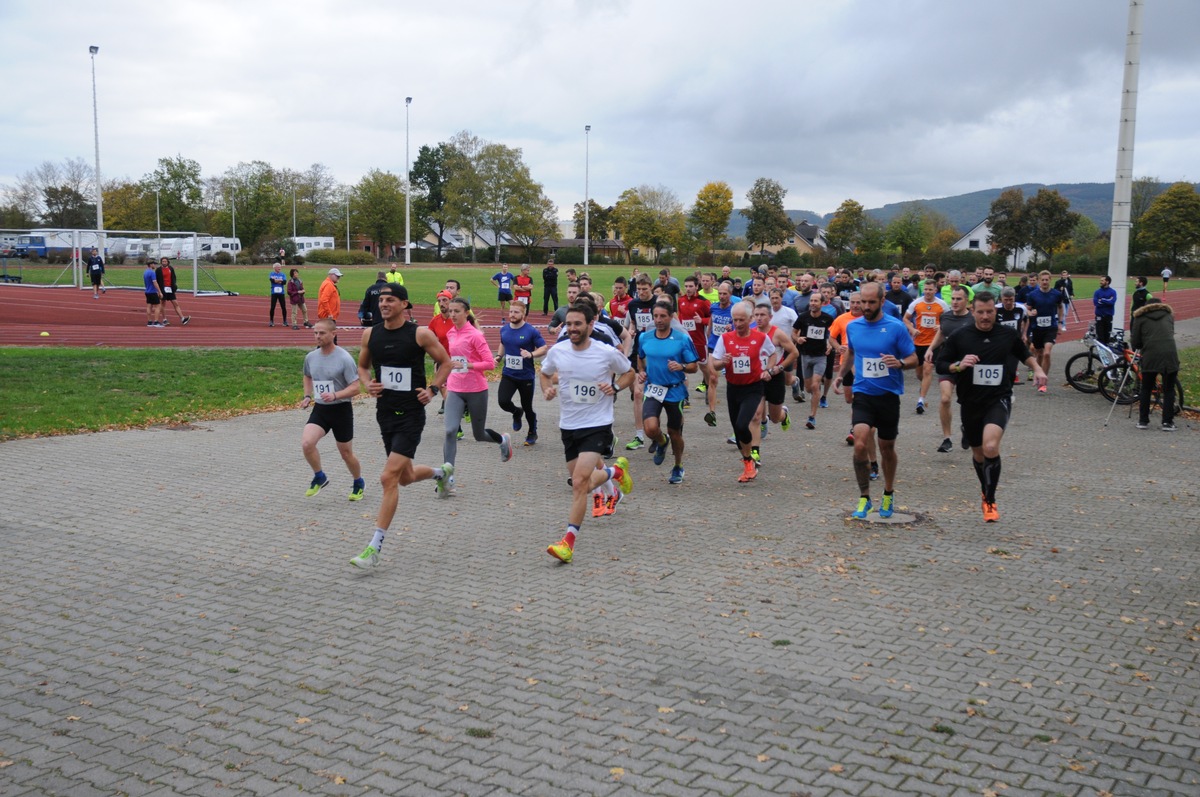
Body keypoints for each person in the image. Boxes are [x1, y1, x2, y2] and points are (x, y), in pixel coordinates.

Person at [349, 284, 453, 569]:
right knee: (404, 477)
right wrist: (367, 383)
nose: (383, 304)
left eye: (390, 300)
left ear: (404, 304)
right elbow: (362, 367)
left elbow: (446, 362)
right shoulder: (370, 333)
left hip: (411, 414)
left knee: (387, 478)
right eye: (381, 300)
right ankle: (440, 473)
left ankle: (374, 547)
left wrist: (432, 390)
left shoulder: (419, 333)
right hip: (385, 413)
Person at [935, 292, 1047, 522]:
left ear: (995, 312)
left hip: (999, 398)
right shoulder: (959, 336)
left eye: (990, 312)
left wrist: (1037, 369)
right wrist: (958, 365)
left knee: (990, 446)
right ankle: (985, 488)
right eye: (981, 312)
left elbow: (1024, 354)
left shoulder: (1007, 334)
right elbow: (941, 364)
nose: (986, 316)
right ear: (973, 312)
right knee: (978, 453)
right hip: (970, 402)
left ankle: (989, 499)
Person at [539, 301, 636, 563]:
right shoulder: (558, 351)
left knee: (580, 483)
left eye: (577, 324)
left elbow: (630, 373)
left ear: (590, 324)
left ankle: (568, 543)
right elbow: (545, 373)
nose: (572, 328)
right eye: (568, 324)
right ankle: (616, 472)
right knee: (583, 480)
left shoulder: (605, 352)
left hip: (598, 424)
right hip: (568, 426)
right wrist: (546, 388)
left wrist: (615, 388)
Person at [834, 282, 918, 519]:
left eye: (872, 302)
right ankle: (865, 497)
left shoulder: (895, 327)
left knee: (886, 448)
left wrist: (900, 363)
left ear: (882, 302)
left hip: (889, 396)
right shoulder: (854, 327)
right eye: (863, 302)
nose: (867, 307)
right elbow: (851, 353)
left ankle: (888, 493)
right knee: (860, 443)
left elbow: (914, 359)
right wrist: (840, 376)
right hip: (863, 394)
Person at [439, 296, 514, 494]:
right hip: (455, 388)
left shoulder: (475, 335)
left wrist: (467, 365)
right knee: (450, 431)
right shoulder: (450, 333)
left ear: (466, 313)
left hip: (476, 389)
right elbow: (452, 360)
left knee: (478, 435)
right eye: (450, 311)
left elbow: (490, 363)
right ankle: (448, 478)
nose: (452, 314)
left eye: (456, 311)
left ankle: (501, 440)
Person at [709, 301, 776, 483]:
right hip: (733, 388)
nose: (738, 324)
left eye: (742, 320)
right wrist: (723, 362)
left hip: (753, 388)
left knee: (741, 425)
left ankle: (750, 460)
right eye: (735, 320)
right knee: (738, 431)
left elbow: (773, 354)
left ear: (750, 319)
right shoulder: (725, 338)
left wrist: (768, 370)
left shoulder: (760, 338)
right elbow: (714, 364)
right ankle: (748, 462)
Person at [299, 318, 365, 501]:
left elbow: (356, 388)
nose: (317, 336)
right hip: (321, 409)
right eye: (315, 333)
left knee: (345, 453)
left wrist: (336, 395)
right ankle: (319, 476)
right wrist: (307, 396)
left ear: (333, 334)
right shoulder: (311, 357)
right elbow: (307, 375)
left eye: (322, 333)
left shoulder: (344, 358)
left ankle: (358, 482)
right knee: (307, 443)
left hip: (341, 410)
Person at [637, 301, 700, 485]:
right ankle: (661, 441)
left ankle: (678, 465)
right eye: (655, 316)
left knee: (675, 433)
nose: (658, 320)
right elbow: (640, 358)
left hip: (675, 392)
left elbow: (694, 366)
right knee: (650, 428)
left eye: (663, 316)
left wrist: (681, 366)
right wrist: (641, 372)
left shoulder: (681, 339)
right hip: (654, 389)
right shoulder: (645, 337)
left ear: (671, 317)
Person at [926, 285, 973, 452]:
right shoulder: (945, 317)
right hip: (947, 363)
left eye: (959, 299)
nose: (954, 302)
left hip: (968, 366)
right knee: (945, 399)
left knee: (968, 403)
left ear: (967, 301)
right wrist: (931, 349)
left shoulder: (973, 319)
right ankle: (947, 439)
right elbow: (941, 333)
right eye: (953, 298)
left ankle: (967, 428)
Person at [496, 300, 548, 446]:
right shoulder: (504, 329)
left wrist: (531, 354)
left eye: (516, 312)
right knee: (503, 401)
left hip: (525, 376)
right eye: (511, 311)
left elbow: (543, 348)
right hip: (509, 374)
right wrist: (499, 356)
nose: (512, 315)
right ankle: (516, 412)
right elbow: (503, 342)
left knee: (528, 407)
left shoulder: (531, 331)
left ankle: (532, 431)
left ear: (523, 314)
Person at [1130, 299, 1180, 431]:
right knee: (1169, 389)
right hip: (1170, 354)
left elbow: (1135, 341)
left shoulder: (1140, 317)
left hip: (1150, 355)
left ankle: (1143, 421)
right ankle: (1168, 422)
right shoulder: (1169, 315)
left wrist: (1139, 346)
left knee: (1146, 388)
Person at [904, 279, 949, 416]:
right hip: (919, 342)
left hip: (934, 343)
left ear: (936, 290)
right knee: (919, 374)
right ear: (923, 290)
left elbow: (949, 319)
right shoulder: (916, 303)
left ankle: (920, 401)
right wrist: (912, 329)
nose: (928, 292)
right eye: (926, 289)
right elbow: (905, 319)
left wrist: (941, 326)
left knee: (928, 369)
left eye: (931, 289)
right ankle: (923, 388)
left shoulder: (942, 304)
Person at [793, 291, 835, 430]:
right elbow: (793, 332)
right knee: (808, 387)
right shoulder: (803, 317)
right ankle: (810, 389)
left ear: (822, 303)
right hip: (805, 355)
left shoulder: (828, 319)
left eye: (816, 301)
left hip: (820, 357)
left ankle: (812, 416)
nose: (812, 303)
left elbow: (833, 335)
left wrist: (829, 344)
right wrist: (797, 339)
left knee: (815, 385)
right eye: (811, 301)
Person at [1023, 270, 1067, 394]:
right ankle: (1039, 373)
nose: (1045, 282)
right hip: (1037, 328)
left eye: (1047, 280)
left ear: (1050, 280)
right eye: (1042, 280)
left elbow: (1060, 307)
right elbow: (1028, 310)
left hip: (1050, 327)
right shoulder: (1033, 295)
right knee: (1039, 353)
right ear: (1039, 281)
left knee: (1047, 353)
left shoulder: (1056, 294)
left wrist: (1060, 322)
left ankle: (1043, 382)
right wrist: (1031, 313)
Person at [155, 257, 190, 326]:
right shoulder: (158, 270)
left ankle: (182, 319)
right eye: (163, 261)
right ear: (161, 262)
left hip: (170, 289)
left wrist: (174, 286)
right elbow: (157, 280)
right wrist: (159, 291)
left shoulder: (171, 268)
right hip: (163, 289)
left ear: (168, 262)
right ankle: (164, 319)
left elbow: (174, 278)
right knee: (163, 304)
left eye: (165, 261)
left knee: (175, 303)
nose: (164, 263)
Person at [1092, 275, 1117, 345]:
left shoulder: (1113, 292)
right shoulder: (1097, 292)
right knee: (1100, 336)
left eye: (1102, 280)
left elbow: (1112, 302)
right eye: (1101, 280)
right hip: (1099, 316)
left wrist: (1102, 300)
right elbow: (1096, 303)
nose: (1100, 282)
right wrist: (1107, 300)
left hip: (1108, 316)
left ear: (1107, 282)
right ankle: (1100, 354)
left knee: (1107, 336)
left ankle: (1106, 352)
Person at [143, 260, 164, 327]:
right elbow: (155, 282)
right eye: (154, 264)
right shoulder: (152, 273)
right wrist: (159, 292)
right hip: (152, 291)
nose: (155, 265)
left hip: (147, 291)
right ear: (151, 264)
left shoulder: (145, 272)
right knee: (158, 306)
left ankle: (149, 321)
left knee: (149, 306)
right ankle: (156, 321)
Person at [268, 262, 288, 327]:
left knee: (283, 307)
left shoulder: (283, 274)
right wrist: (279, 280)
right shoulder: (271, 274)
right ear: (275, 268)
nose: (280, 268)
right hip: (274, 293)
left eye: (280, 267)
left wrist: (277, 280)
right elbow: (272, 281)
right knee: (272, 307)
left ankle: (285, 321)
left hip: (281, 293)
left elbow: (284, 282)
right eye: (278, 267)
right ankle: (271, 321)